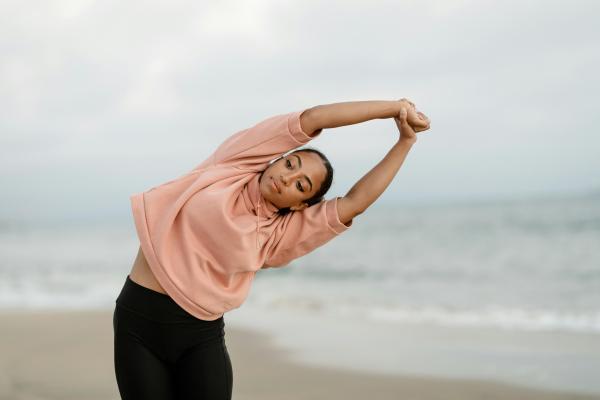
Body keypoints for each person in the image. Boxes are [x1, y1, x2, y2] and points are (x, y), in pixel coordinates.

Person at [112, 98, 431, 399]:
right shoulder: (233, 165)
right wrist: (394, 108)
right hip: (139, 322)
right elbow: (314, 119)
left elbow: (354, 202)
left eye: (301, 185)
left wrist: (404, 142)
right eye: (290, 165)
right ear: (278, 157)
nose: (287, 178)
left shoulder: (280, 233)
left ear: (301, 205)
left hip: (200, 336)